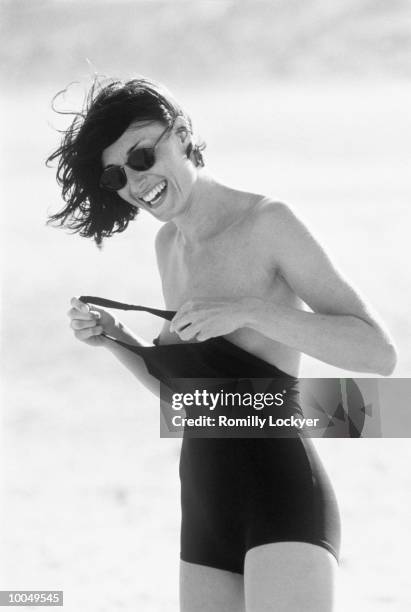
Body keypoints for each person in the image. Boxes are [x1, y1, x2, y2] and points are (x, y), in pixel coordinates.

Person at [47, 77, 397, 612]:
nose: (136, 180)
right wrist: (122, 343)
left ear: (183, 134)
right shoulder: (169, 246)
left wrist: (250, 311)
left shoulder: (267, 223)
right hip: (205, 509)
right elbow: (200, 406)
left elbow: (378, 352)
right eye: (118, 174)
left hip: (282, 499)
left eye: (143, 154)